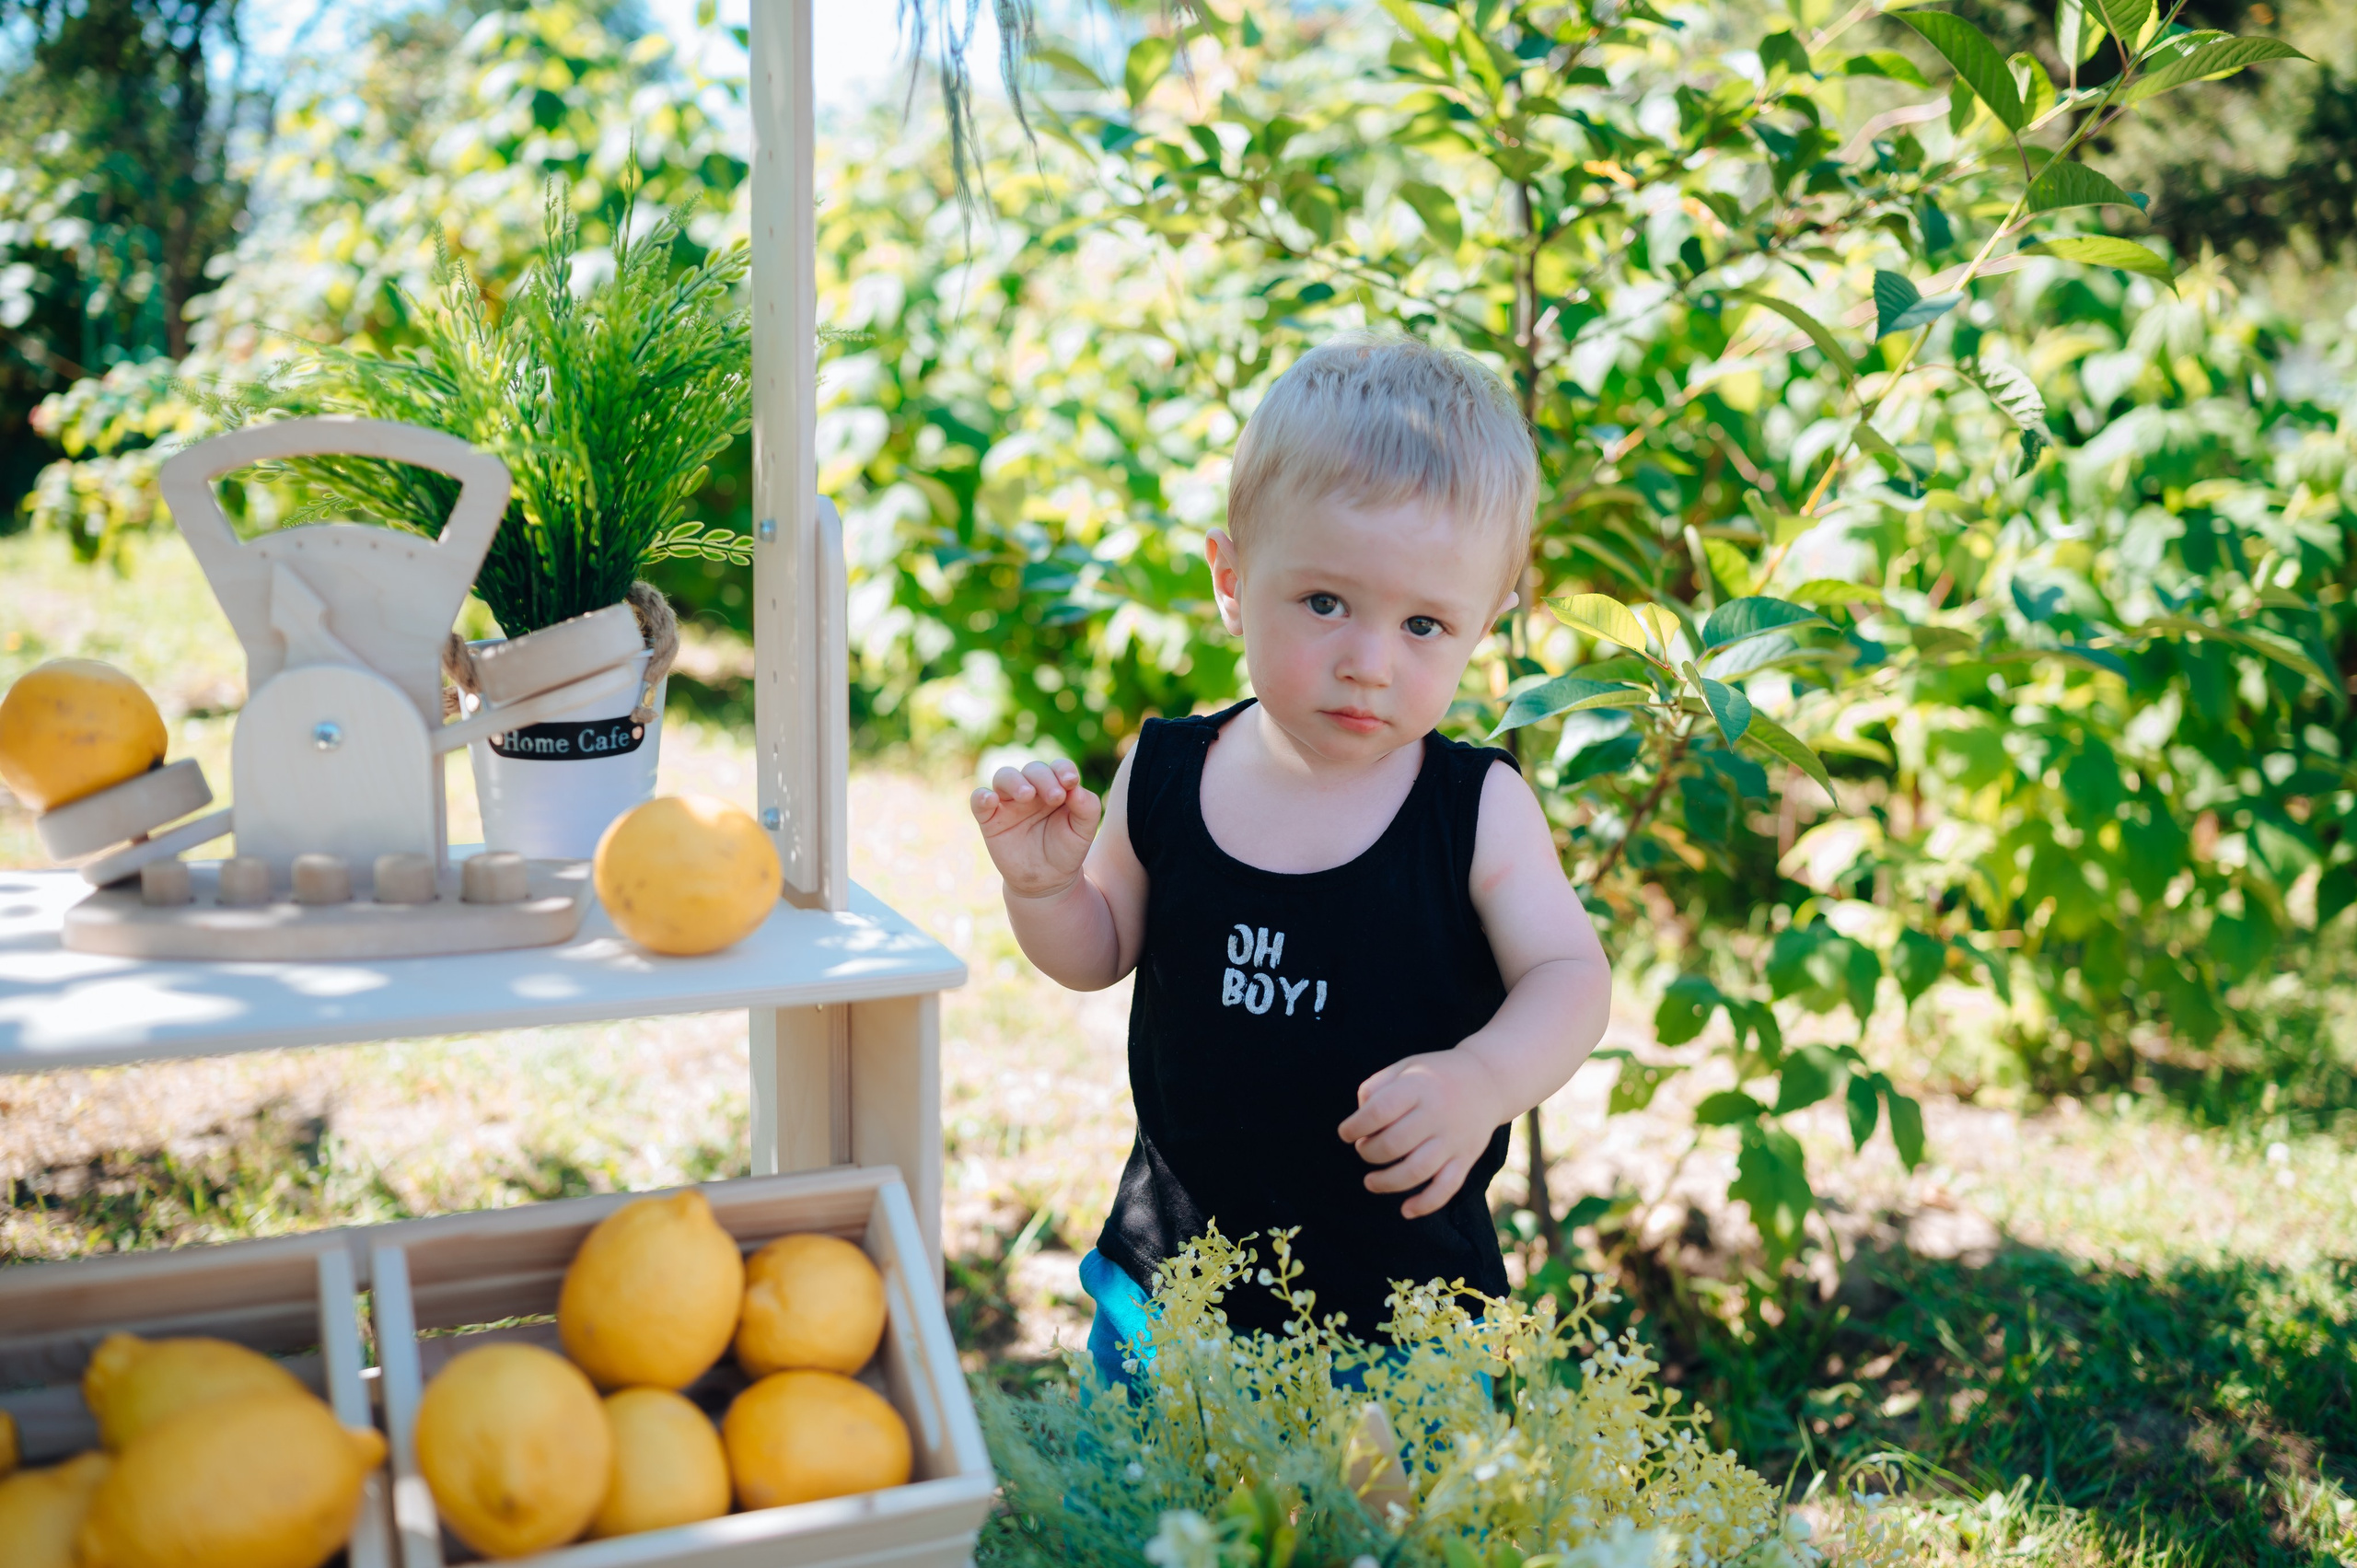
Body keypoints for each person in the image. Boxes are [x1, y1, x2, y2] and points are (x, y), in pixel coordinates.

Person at [970, 333, 1612, 1386]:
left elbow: (1570, 976)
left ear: (1486, 626)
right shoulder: (1169, 768)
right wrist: (1043, 888)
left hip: (1399, 1303)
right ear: (1232, 577)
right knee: (1150, 1528)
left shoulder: (1474, 808)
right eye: (1324, 604)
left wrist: (1482, 1079)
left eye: (1423, 624)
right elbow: (1100, 948)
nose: (1368, 661)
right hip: (1174, 1278)